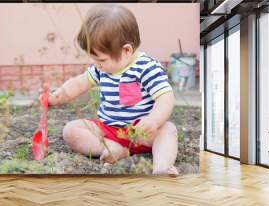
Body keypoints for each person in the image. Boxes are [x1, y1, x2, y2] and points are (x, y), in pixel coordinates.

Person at [43, 4, 178, 176]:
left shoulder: (146, 67)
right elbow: (80, 83)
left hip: (141, 132)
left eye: (101, 60)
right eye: (94, 60)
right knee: (71, 130)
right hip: (109, 130)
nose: (97, 65)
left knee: (168, 130)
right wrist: (56, 97)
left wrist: (154, 120)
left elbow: (165, 96)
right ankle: (113, 148)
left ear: (126, 51)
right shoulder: (102, 69)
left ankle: (162, 166)